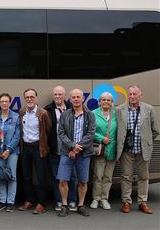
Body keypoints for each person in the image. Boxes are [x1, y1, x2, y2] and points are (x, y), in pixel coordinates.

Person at [116, 85, 159, 214]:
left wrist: (146, 141)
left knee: (143, 177)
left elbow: (155, 130)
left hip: (143, 150)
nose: (132, 96)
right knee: (126, 177)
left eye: (135, 94)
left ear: (141, 95)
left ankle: (142, 202)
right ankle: (126, 202)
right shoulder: (120, 109)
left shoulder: (149, 109)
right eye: (130, 94)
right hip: (126, 150)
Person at [56, 88, 96, 217]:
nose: (76, 99)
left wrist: (78, 148)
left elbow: (91, 134)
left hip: (84, 153)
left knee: (83, 181)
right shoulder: (65, 114)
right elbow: (61, 133)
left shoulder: (90, 115)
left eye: (78, 97)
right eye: (73, 97)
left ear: (83, 98)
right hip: (67, 152)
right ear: (70, 99)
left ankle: (80, 205)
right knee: (62, 180)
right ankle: (65, 205)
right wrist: (73, 146)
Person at [17, 88, 51, 214]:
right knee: (26, 176)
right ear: (24, 99)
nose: (30, 99)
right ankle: (29, 200)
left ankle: (41, 203)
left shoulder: (43, 113)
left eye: (32, 97)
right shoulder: (21, 112)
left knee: (41, 177)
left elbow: (48, 130)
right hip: (25, 147)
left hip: (39, 148)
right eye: (27, 97)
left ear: (36, 98)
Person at [44, 86, 77, 212]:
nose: (57, 96)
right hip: (54, 149)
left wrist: (73, 147)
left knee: (73, 176)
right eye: (55, 94)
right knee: (56, 176)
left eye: (60, 94)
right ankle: (59, 200)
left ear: (64, 96)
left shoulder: (72, 108)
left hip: (70, 149)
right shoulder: (48, 109)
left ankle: (73, 200)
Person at [0, 93, 20, 212]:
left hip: (12, 152)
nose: (4, 103)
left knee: (12, 176)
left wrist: (8, 150)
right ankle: (2, 201)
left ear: (10, 103)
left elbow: (17, 136)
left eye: (6, 101)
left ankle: (11, 202)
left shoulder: (16, 117)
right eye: (2, 101)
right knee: (1, 176)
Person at [90, 92, 117, 210]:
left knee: (108, 177)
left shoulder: (116, 114)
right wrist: (101, 138)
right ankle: (96, 199)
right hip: (99, 150)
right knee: (97, 176)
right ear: (99, 102)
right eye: (103, 100)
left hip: (112, 150)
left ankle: (104, 199)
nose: (106, 102)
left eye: (108, 100)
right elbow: (89, 130)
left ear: (112, 102)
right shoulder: (93, 114)